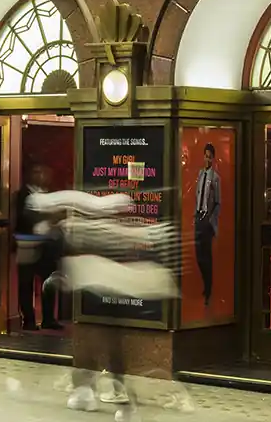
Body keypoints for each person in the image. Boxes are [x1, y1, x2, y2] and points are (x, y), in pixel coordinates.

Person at [30, 189, 177, 421]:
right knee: (101, 346)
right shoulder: (99, 229)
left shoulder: (92, 230)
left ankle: (115, 399)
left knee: (105, 348)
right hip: (104, 296)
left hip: (105, 296)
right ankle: (93, 393)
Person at [14, 166, 60, 331]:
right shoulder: (22, 195)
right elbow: (21, 218)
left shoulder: (49, 194)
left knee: (48, 283)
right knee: (26, 284)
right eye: (36, 172)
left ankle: (49, 318)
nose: (41, 176)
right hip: (27, 243)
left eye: (44, 172)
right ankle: (29, 320)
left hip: (46, 245)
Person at [190, 144, 220, 309]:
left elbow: (218, 202)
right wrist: (196, 215)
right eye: (205, 155)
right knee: (198, 255)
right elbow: (197, 196)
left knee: (207, 257)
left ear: (213, 158)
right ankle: (205, 284)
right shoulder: (200, 175)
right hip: (199, 219)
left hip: (207, 221)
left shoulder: (215, 178)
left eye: (210, 156)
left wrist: (210, 219)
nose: (207, 159)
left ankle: (208, 289)